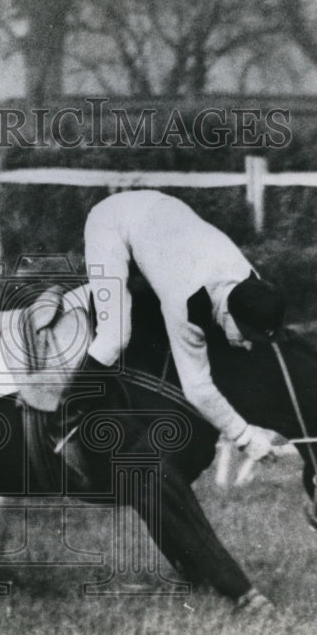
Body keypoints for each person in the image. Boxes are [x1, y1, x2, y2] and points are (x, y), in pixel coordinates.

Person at [68, 189, 286, 462]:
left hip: (161, 214)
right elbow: (197, 388)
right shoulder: (188, 302)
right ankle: (64, 418)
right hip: (113, 222)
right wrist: (245, 438)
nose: (248, 344)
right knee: (114, 337)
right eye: (246, 335)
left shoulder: (251, 281)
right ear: (228, 315)